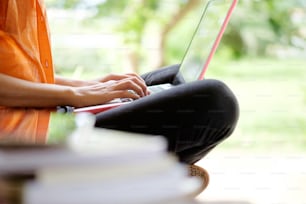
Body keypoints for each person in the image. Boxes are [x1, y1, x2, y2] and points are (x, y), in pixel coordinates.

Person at [0, 0, 239, 195]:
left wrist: (90, 85)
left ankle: (141, 180)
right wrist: (76, 94)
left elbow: (23, 73)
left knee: (173, 77)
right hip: (28, 138)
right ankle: (131, 186)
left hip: (50, 112)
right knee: (215, 102)